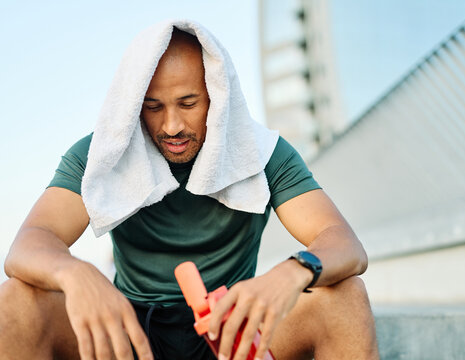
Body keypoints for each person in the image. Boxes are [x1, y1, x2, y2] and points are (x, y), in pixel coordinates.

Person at [0, 21, 379, 360]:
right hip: (132, 334)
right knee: (17, 301)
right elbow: (30, 243)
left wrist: (292, 272)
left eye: (188, 103)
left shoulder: (262, 152)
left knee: (344, 298)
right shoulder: (102, 154)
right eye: (153, 107)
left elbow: (344, 244)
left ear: (217, 95)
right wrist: (75, 274)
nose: (172, 126)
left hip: (233, 332)